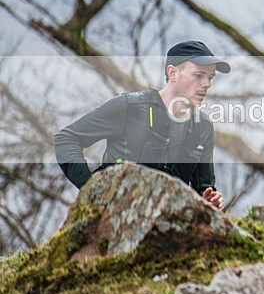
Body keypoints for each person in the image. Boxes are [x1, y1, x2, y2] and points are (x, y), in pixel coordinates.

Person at [54, 41, 230, 210]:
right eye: (199, 75)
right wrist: (91, 189)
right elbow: (66, 139)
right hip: (110, 218)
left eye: (210, 77)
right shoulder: (130, 106)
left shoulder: (203, 126)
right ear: (172, 73)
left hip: (167, 228)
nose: (207, 84)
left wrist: (210, 203)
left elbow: (204, 190)